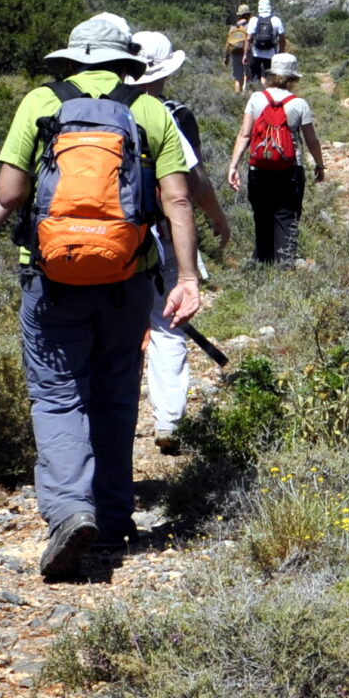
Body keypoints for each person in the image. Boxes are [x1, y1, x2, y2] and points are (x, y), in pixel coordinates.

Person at [0, 13, 202, 580]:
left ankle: (70, 511)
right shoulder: (149, 112)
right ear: (125, 62)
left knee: (56, 396)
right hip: (125, 277)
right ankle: (115, 514)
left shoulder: (40, 103)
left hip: (50, 278)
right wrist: (185, 277)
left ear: (72, 59)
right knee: (115, 394)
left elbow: (11, 191)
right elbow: (178, 202)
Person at [124, 30, 232, 452]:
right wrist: (218, 220)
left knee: (121, 329)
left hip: (112, 238)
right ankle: (168, 421)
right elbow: (194, 181)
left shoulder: (98, 108)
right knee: (168, 324)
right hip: (163, 235)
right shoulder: (171, 114)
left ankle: (118, 419)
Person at [226, 51, 326, 266]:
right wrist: (319, 165)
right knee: (287, 217)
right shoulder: (299, 104)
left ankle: (262, 264)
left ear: (271, 74)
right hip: (290, 170)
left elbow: (244, 135)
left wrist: (233, 166)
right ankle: (285, 267)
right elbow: (312, 141)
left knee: (262, 216)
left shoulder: (256, 98)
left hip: (259, 167)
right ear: (293, 78)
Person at [247, 0, 287, 83]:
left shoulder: (253, 20)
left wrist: (245, 54)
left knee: (255, 77)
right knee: (269, 78)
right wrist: (281, 52)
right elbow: (282, 39)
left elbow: (248, 38)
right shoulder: (276, 20)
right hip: (271, 54)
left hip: (256, 54)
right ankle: (267, 93)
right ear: (270, 7)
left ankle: (255, 91)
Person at [225, 4, 254, 95]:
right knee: (249, 77)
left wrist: (226, 57)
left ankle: (237, 100)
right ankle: (248, 98)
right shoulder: (250, 25)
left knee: (238, 78)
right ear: (247, 15)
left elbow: (228, 43)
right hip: (247, 53)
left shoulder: (233, 27)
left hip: (235, 53)